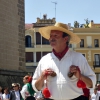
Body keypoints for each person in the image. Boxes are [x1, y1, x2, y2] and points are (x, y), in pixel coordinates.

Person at [32, 22, 96, 100]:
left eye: (56, 35)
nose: (51, 38)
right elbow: (36, 88)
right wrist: (42, 77)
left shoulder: (78, 58)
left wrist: (80, 76)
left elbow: (92, 84)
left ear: (65, 39)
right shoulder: (44, 60)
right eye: (51, 36)